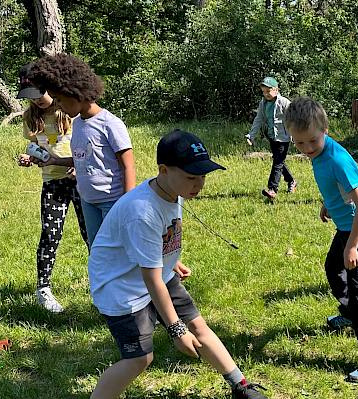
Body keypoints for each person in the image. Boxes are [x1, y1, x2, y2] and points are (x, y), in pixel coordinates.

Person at [87, 129, 267, 399]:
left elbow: (158, 241)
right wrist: (175, 328)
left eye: (203, 176)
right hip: (121, 288)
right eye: (192, 177)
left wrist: (172, 260)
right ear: (163, 170)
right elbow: (151, 279)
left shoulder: (174, 191)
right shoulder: (142, 211)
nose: (199, 184)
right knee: (139, 359)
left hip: (156, 272)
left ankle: (240, 386)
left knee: (199, 325)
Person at [284, 97, 358, 383]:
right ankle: (349, 314)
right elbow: (337, 190)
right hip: (347, 226)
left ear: (325, 130)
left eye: (311, 142)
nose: (306, 149)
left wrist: (353, 245)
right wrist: (328, 204)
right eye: (299, 144)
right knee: (333, 268)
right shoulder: (319, 155)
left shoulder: (337, 159)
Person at [29, 53, 136, 247]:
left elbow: (128, 165)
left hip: (113, 202)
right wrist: (54, 160)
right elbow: (82, 158)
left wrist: (127, 204)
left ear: (76, 92)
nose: (58, 105)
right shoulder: (77, 124)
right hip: (88, 201)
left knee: (119, 251)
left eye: (60, 100)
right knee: (97, 251)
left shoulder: (110, 124)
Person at [15, 63, 87, 313]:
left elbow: (85, 144)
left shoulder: (70, 110)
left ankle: (105, 285)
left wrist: (80, 166)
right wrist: (31, 158)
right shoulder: (30, 117)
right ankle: (43, 288)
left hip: (80, 181)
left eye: (39, 95)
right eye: (30, 98)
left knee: (92, 234)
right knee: (50, 234)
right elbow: (41, 149)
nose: (37, 101)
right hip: (52, 181)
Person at [245, 76, 297, 199]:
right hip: (272, 137)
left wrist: (296, 136)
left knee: (277, 163)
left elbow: (294, 119)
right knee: (278, 160)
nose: (266, 94)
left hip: (283, 137)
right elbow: (259, 119)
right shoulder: (263, 103)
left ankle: (272, 189)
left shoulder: (284, 102)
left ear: (276, 90)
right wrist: (251, 135)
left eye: (268, 91)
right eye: (263, 91)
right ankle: (292, 181)